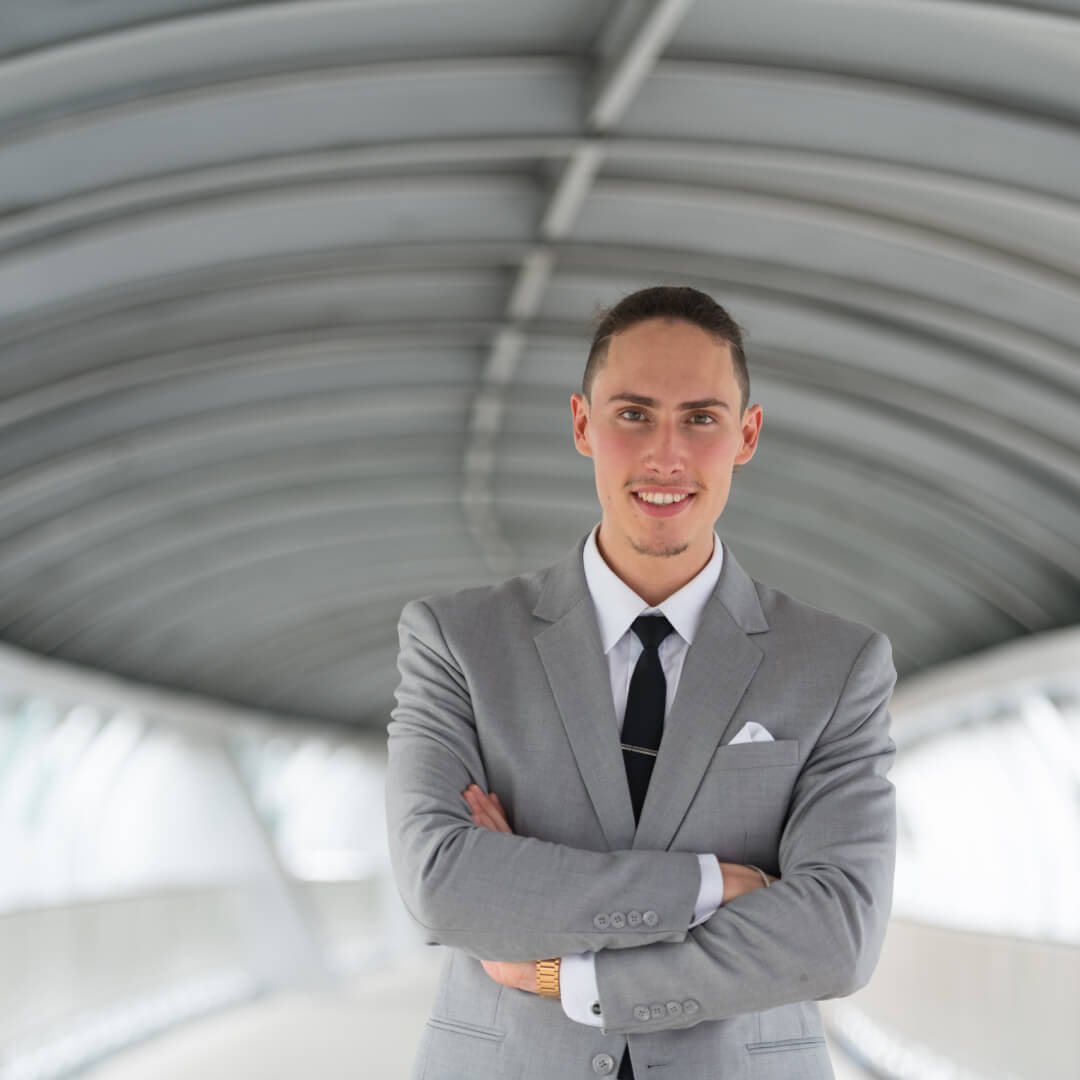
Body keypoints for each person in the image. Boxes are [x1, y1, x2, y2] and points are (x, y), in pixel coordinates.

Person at [385, 285, 897, 1080]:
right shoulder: (458, 643)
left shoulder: (836, 665)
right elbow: (445, 887)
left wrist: (565, 975)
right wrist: (715, 883)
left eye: (701, 418)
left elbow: (836, 934)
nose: (666, 455)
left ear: (746, 434)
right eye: (633, 414)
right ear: (583, 424)